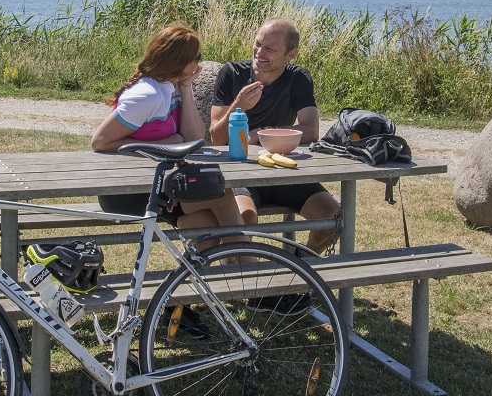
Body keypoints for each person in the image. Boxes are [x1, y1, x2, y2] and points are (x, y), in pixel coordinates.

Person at [92, 23, 245, 237]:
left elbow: (194, 137)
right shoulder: (148, 95)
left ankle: (215, 268)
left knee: (203, 222)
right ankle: (249, 264)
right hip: (127, 189)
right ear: (180, 62)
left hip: (158, 180)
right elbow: (100, 142)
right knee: (223, 195)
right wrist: (164, 145)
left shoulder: (171, 86)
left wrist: (186, 87)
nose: (198, 62)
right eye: (197, 57)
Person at [210, 17, 340, 255]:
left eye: (270, 48)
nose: (260, 52)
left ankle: (299, 264)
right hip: (241, 171)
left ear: (290, 54)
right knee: (243, 221)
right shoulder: (232, 73)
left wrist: (262, 134)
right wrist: (238, 106)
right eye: (258, 44)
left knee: (333, 216)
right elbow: (216, 138)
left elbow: (311, 131)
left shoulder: (297, 78)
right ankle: (243, 282)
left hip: (281, 169)